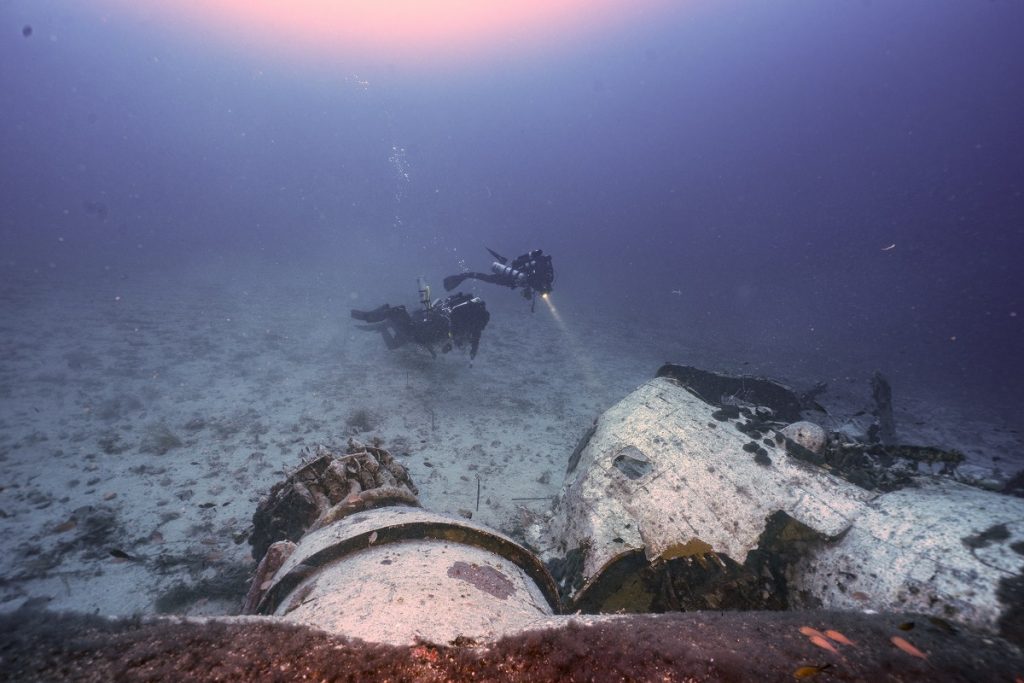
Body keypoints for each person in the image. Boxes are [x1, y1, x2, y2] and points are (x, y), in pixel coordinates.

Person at [351, 280, 490, 360]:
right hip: (432, 327)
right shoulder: (469, 325)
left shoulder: (470, 324)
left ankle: (385, 325)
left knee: (394, 345)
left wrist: (470, 351)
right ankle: (386, 314)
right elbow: (454, 336)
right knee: (412, 331)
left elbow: (470, 340)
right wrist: (451, 345)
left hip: (429, 322)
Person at [442, 247, 554, 309]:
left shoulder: (543, 275)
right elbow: (530, 282)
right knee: (488, 278)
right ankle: (466, 275)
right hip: (511, 278)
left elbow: (530, 282)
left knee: (490, 278)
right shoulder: (542, 277)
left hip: (514, 274)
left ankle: (502, 261)